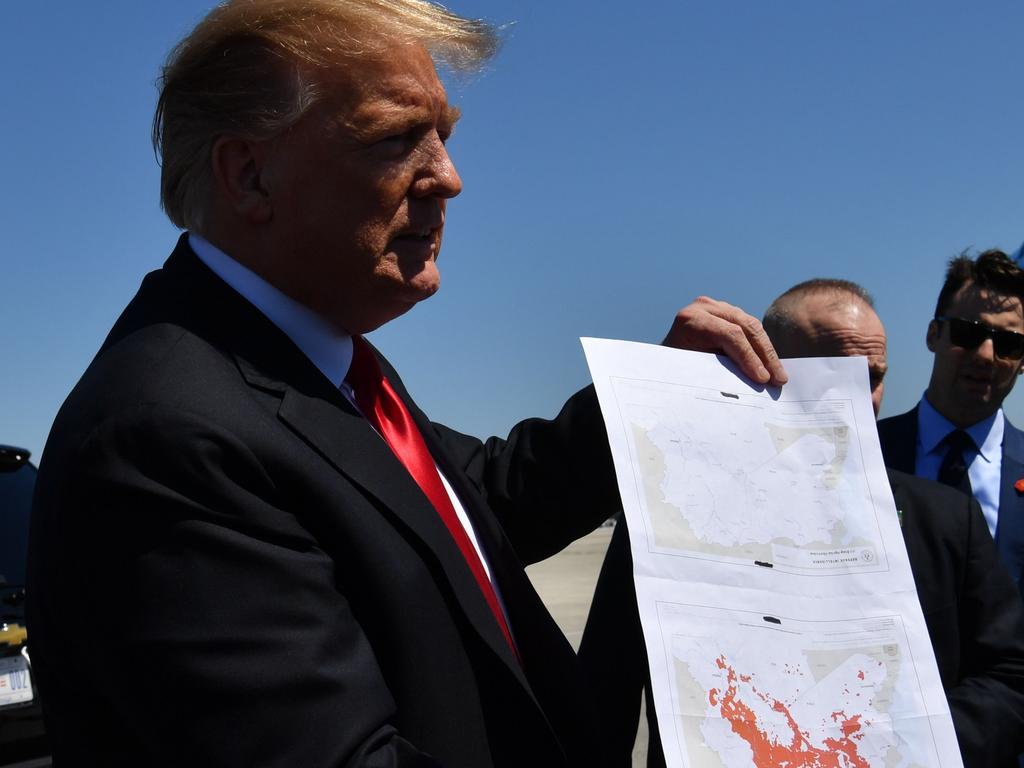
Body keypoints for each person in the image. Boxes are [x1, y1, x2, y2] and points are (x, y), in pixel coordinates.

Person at [24, 2, 786, 766]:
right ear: (249, 175)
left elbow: (469, 506)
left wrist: (652, 399)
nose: (448, 178)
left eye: (444, 137)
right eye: (394, 140)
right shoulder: (166, 436)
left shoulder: (316, 367)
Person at [579, 278, 1024, 768]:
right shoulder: (672, 514)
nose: (860, 399)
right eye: (831, 376)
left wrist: (913, 743)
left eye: (872, 378)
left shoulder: (944, 516)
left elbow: (1009, 673)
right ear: (756, 370)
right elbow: (603, 692)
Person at [877, 250, 1024, 585]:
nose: (986, 355)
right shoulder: (865, 453)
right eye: (968, 334)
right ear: (932, 335)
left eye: (1009, 343)